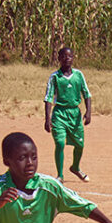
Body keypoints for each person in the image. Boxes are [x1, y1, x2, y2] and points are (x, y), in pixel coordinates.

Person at [43, 46, 93, 183]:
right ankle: (60, 175)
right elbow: (48, 98)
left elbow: (87, 94)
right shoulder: (55, 77)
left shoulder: (78, 75)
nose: (67, 59)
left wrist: (88, 112)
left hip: (75, 114)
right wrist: (47, 119)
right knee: (59, 143)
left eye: (69, 56)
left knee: (80, 145)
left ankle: (75, 167)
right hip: (59, 114)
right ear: (59, 59)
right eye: (63, 56)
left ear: (73, 58)